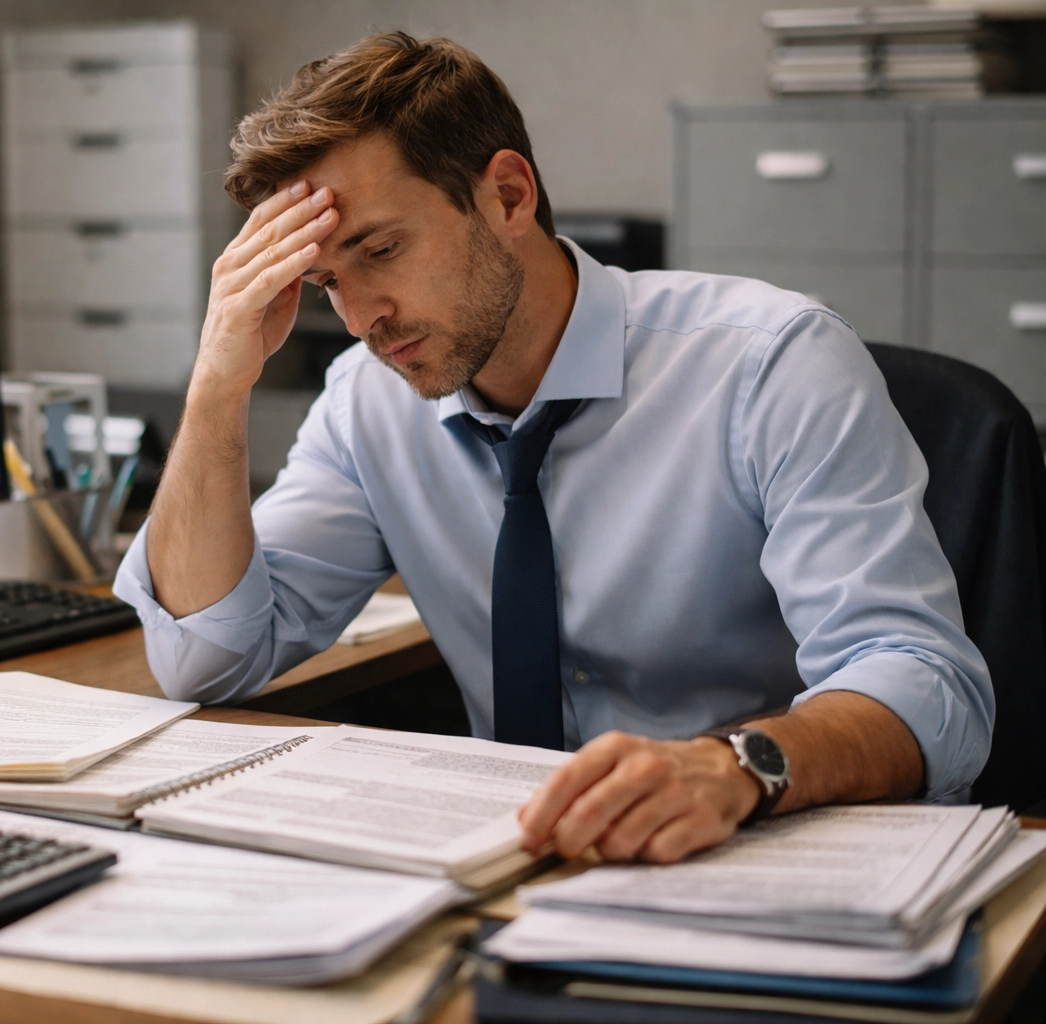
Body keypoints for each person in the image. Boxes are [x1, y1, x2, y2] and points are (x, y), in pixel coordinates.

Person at [113, 31, 993, 863]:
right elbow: (208, 660)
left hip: (774, 846)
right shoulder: (365, 404)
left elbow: (926, 686)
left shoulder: (771, 366)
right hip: (526, 863)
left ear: (507, 195)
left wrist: (734, 769)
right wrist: (216, 385)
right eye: (324, 282)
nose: (359, 318)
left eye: (380, 249)